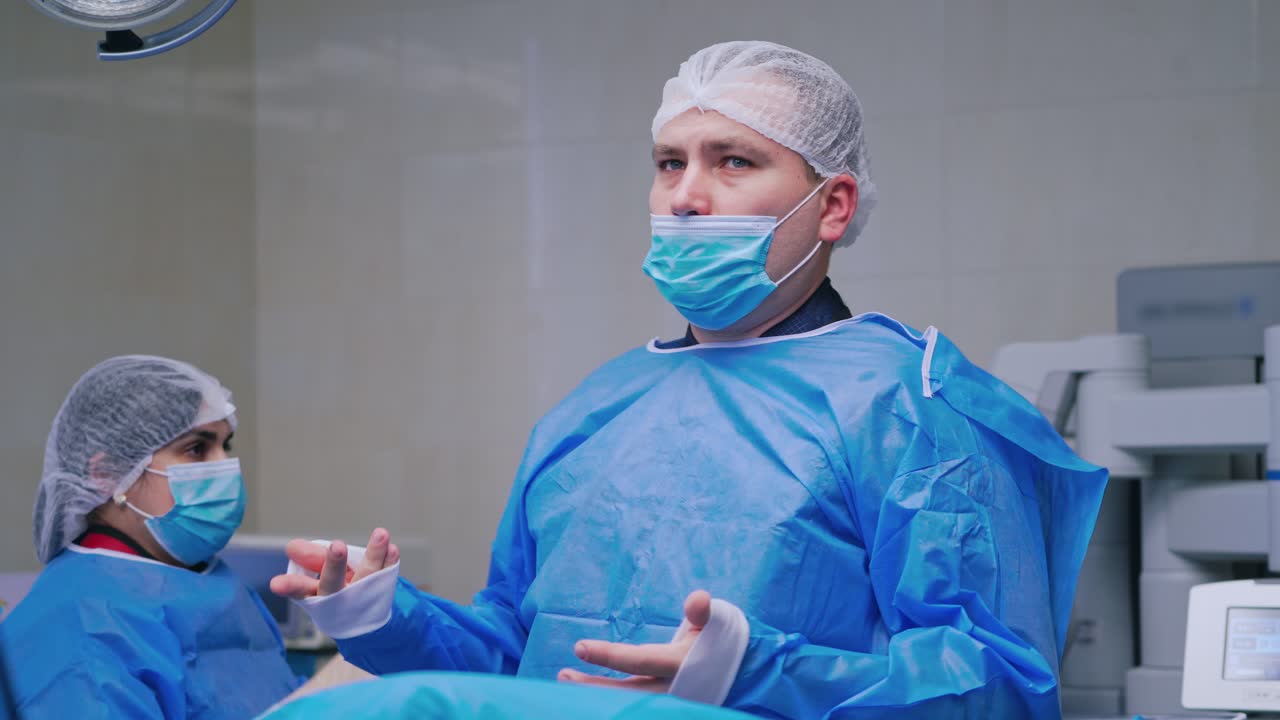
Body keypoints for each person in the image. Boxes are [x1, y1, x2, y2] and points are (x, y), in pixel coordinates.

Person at [271, 41, 1108, 718]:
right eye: (669, 164)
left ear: (834, 206)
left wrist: (756, 671)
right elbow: (519, 659)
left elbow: (993, 686)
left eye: (733, 161)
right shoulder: (595, 410)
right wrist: (384, 618)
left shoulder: (904, 405)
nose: (686, 197)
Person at [0, 356, 301, 719]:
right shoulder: (78, 626)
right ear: (107, 474)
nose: (224, 467)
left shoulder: (211, 580)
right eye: (197, 448)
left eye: (226, 446)